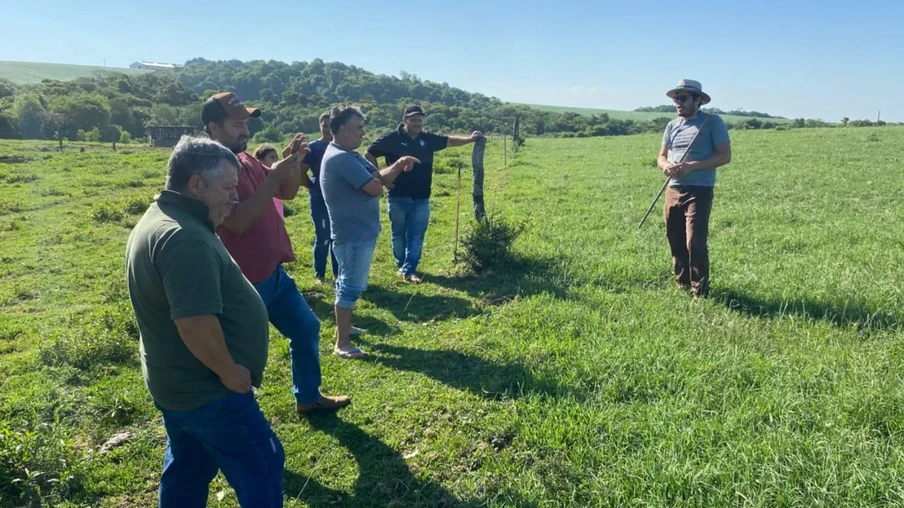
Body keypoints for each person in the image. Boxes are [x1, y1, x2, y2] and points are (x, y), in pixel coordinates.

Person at [125, 136, 284, 506]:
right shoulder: (183, 238)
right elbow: (195, 323)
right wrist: (229, 372)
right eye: (228, 187)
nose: (235, 197)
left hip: (177, 385)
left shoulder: (164, 218)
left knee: (189, 466)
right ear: (196, 184)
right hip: (208, 390)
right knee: (262, 462)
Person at [202, 91, 350, 414]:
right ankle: (239, 420)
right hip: (243, 284)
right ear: (214, 127)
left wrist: (294, 165)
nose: (245, 130)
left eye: (246, 122)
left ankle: (308, 396)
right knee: (244, 357)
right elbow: (238, 221)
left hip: (273, 273)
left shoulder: (246, 160)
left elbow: (287, 192)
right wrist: (277, 177)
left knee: (306, 327)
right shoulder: (211, 168)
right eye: (236, 123)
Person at [321, 106, 418, 358]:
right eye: (359, 128)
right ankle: (342, 343)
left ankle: (345, 328)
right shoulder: (340, 158)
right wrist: (379, 182)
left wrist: (397, 165)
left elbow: (378, 177)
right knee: (350, 285)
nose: (363, 133)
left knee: (348, 280)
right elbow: (375, 187)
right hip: (351, 233)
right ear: (343, 130)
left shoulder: (349, 154)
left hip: (359, 231)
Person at [365, 105, 482, 283]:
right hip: (397, 195)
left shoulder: (428, 139)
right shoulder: (391, 139)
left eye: (420, 120)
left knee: (416, 234)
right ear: (404, 121)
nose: (417, 123)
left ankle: (410, 269)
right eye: (413, 120)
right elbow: (369, 153)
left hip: (422, 197)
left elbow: (449, 141)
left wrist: (470, 139)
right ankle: (401, 264)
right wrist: (381, 177)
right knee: (398, 233)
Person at [656, 79, 732, 299]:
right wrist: (666, 166)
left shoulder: (711, 122)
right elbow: (661, 156)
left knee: (694, 240)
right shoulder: (672, 126)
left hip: (700, 189)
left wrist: (692, 166)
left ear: (698, 100)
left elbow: (724, 156)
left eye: (683, 98)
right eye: (675, 99)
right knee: (675, 238)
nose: (678, 103)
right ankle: (683, 285)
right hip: (673, 189)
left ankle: (700, 292)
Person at [300, 112, 340, 284]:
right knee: (323, 236)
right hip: (319, 198)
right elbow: (301, 172)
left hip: (338, 199)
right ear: (320, 126)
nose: (327, 129)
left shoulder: (340, 146)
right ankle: (320, 275)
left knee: (337, 236)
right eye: (324, 125)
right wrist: (311, 186)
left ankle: (338, 274)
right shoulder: (313, 147)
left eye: (330, 125)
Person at [253, 143, 284, 219]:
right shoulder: (257, 177)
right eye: (272, 157)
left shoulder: (276, 175)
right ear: (260, 160)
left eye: (276, 157)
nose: (276, 159)